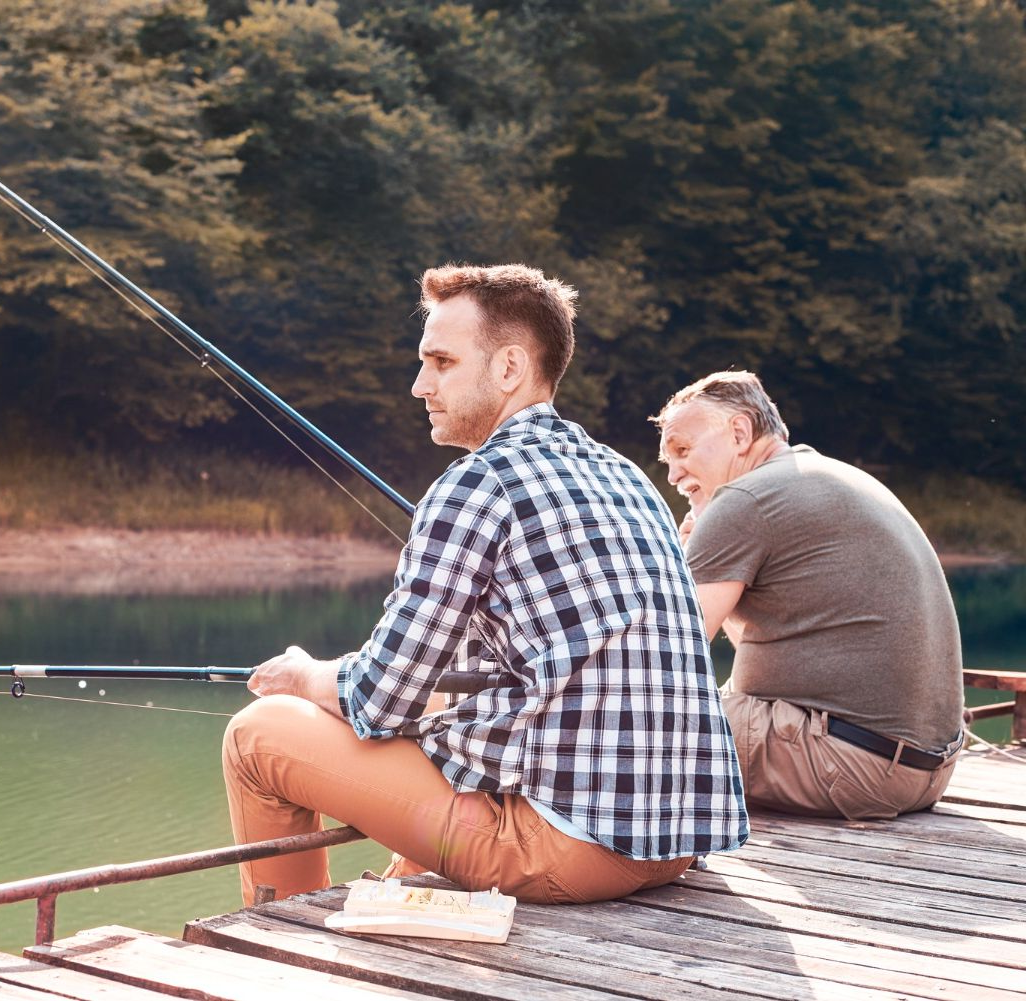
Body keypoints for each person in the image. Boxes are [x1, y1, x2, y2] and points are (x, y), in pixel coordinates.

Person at [222, 265, 747, 906]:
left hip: (571, 850)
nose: (420, 385)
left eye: (442, 362)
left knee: (259, 732)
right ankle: (395, 890)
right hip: (676, 843)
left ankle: (280, 926)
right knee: (437, 731)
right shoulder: (627, 477)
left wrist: (305, 675)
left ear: (509, 369)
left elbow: (380, 698)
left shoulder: (479, 483)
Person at [652, 370, 964, 820]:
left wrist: (679, 562)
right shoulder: (828, 476)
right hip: (924, 772)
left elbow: (665, 653)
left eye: (682, 450)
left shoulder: (744, 498)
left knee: (628, 713)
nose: (674, 473)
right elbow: (768, 641)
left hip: (849, 766)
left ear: (739, 432)